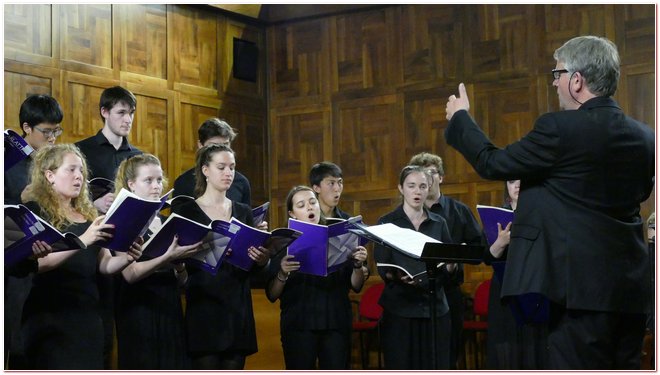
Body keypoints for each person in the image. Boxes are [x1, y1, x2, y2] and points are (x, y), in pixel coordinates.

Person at [444, 35, 654, 369]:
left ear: (576, 80)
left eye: (557, 74)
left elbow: (493, 164)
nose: (554, 83)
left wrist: (461, 119)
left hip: (577, 294)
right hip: (630, 292)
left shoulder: (559, 128)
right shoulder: (645, 136)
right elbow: (641, 194)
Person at [20, 144, 143, 369]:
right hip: (50, 315)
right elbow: (39, 263)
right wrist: (83, 240)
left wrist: (127, 258)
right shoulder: (34, 212)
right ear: (49, 175)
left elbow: (104, 264)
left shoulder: (89, 216)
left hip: (87, 315)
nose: (79, 176)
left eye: (81, 171)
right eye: (71, 170)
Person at [171, 144, 269, 369]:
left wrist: (262, 258)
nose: (229, 173)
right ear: (205, 170)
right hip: (204, 308)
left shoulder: (243, 211)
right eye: (221, 167)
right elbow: (181, 262)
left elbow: (253, 268)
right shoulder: (187, 212)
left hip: (237, 307)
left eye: (232, 167)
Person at [112, 154, 203, 369]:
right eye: (149, 180)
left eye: (159, 180)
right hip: (138, 310)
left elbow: (182, 280)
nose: (156, 186)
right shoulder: (120, 221)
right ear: (131, 184)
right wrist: (166, 257)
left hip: (168, 306)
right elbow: (129, 274)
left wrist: (179, 264)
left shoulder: (164, 220)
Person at [75, 85, 143, 368]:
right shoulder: (83, 151)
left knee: (130, 331)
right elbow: (69, 199)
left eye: (131, 114)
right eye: (121, 113)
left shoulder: (137, 156)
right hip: (95, 249)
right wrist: (95, 203)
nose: (127, 119)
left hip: (129, 246)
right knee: (99, 333)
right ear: (104, 112)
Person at [265, 185, 368, 369]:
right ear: (292, 213)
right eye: (302, 205)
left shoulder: (340, 234)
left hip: (335, 321)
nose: (310, 207)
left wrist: (358, 265)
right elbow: (272, 295)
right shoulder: (282, 242)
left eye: (313, 202)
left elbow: (357, 286)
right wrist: (282, 273)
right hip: (299, 324)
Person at [409, 152, 486, 368]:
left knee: (448, 356)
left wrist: (458, 256)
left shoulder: (459, 211)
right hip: (416, 295)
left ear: (441, 177)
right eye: (421, 174)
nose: (427, 179)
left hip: (449, 292)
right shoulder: (408, 214)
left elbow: (478, 249)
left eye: (432, 173)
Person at [374, 165, 455, 369]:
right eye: (411, 186)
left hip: (434, 309)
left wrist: (452, 267)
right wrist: (398, 276)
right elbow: (382, 266)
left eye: (422, 186)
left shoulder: (439, 223)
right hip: (400, 309)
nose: (417, 191)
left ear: (429, 189)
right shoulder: (387, 222)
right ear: (401, 188)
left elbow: (448, 267)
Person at [4, 94, 64, 370]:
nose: (52, 137)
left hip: (49, 269)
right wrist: (22, 199)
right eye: (46, 131)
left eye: (56, 131)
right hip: (14, 273)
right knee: (14, 350)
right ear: (26, 128)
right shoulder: (9, 162)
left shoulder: (54, 164)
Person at [484, 180, 548, 369]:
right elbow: (487, 257)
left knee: (535, 343)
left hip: (534, 285)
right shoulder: (496, 216)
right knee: (507, 343)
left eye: (523, 180)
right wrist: (501, 243)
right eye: (512, 181)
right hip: (505, 287)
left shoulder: (543, 214)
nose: (517, 185)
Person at [172, 118, 251, 206]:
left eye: (225, 145)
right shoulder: (183, 183)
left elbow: (246, 218)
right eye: (214, 146)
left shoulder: (241, 182)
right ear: (200, 145)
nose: (221, 150)